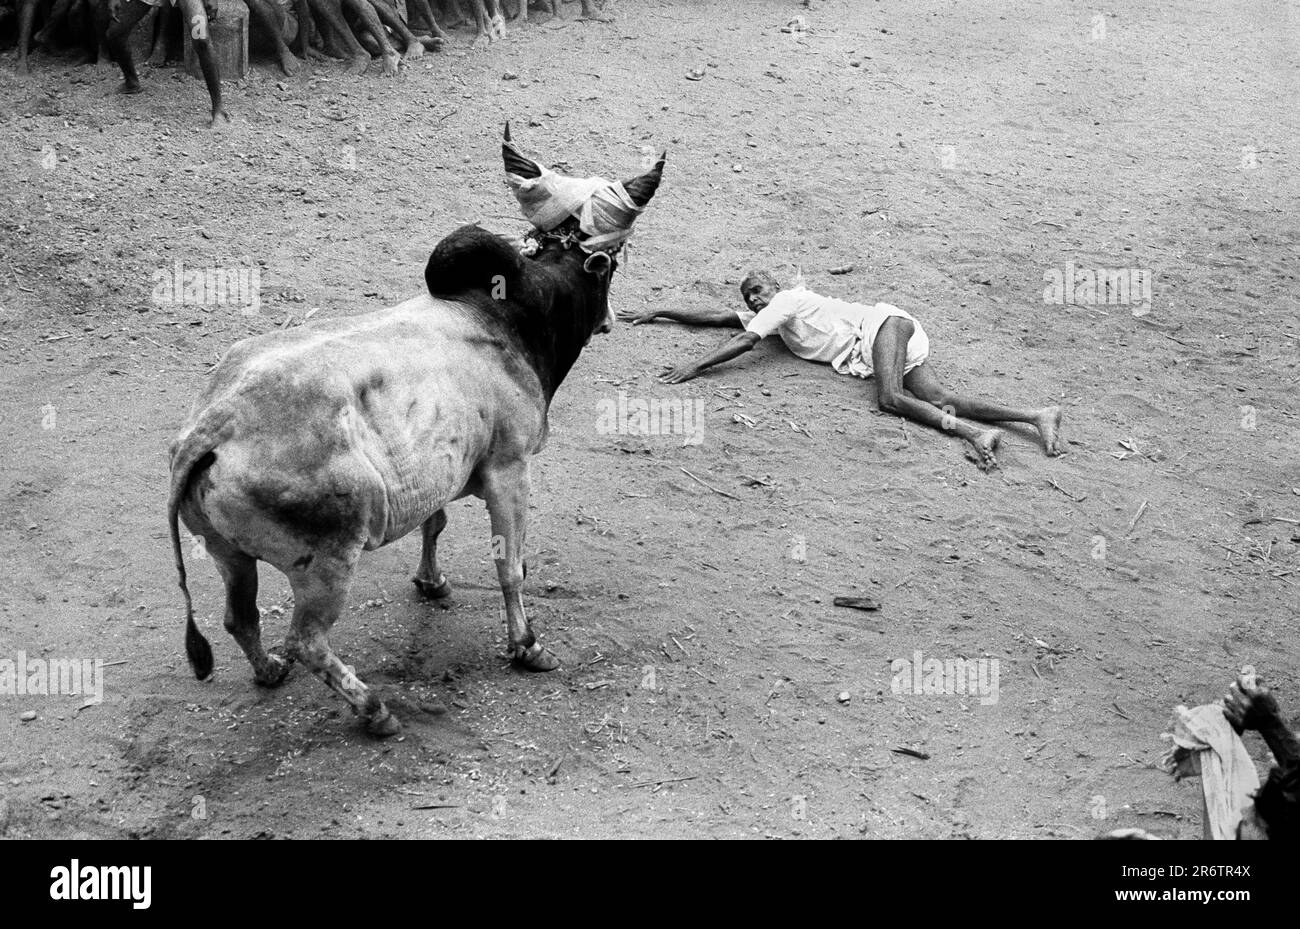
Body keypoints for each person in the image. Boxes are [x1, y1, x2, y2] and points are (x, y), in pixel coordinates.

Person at [627, 269, 1062, 470]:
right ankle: (1036, 416)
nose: (754, 301)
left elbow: (743, 340)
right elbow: (721, 318)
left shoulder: (787, 300)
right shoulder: (779, 319)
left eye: (758, 291)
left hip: (885, 328)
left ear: (776, 287)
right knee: (940, 399)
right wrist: (660, 310)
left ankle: (974, 434)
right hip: (888, 337)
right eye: (749, 299)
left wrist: (693, 367)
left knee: (889, 400)